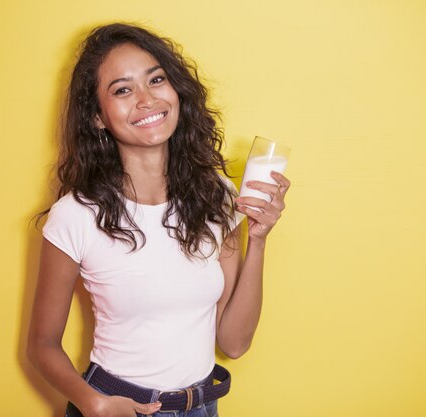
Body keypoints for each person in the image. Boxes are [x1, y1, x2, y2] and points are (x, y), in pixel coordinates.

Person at [27, 23, 290, 417]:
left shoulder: (216, 195)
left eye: (156, 79)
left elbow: (234, 343)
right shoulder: (77, 215)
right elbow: (41, 345)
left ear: (176, 90)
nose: (147, 99)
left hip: (202, 406)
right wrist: (93, 403)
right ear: (97, 116)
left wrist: (260, 239)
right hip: (117, 405)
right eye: (122, 89)